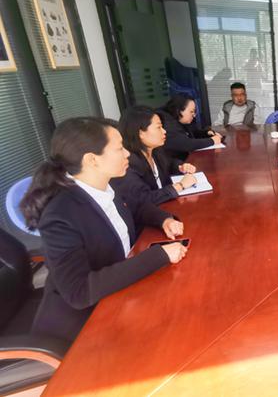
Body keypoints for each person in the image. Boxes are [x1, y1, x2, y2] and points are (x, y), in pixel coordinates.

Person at [20, 117, 189, 343]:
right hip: (87, 325)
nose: (127, 154)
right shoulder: (60, 216)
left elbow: (136, 207)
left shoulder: (106, 184)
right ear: (92, 160)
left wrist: (163, 219)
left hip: (121, 292)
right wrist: (159, 255)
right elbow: (80, 291)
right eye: (119, 149)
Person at [112, 106, 198, 206]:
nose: (164, 131)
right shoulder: (128, 164)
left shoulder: (155, 151)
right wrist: (180, 185)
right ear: (140, 133)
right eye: (158, 127)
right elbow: (143, 199)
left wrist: (181, 167)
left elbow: (170, 163)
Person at [158, 94, 222, 162]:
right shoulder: (167, 122)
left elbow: (193, 132)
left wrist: (207, 133)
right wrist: (212, 141)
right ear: (179, 110)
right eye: (191, 111)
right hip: (173, 164)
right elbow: (186, 143)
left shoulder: (180, 120)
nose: (194, 115)